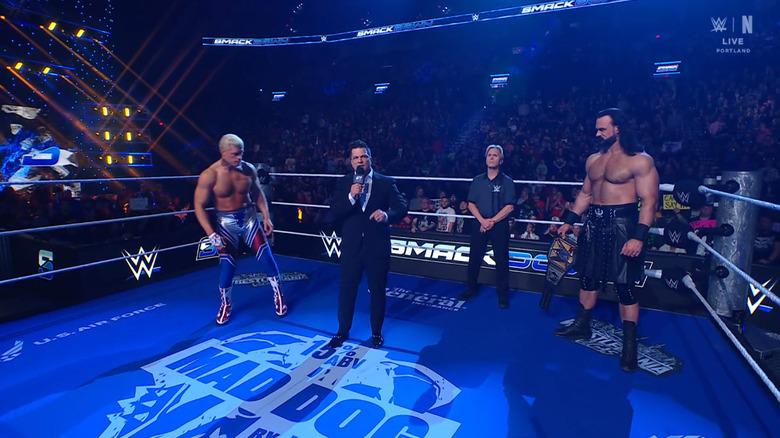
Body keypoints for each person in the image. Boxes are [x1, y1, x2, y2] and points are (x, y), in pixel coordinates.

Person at [555, 108, 659, 372]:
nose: (597, 133)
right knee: (587, 277)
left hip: (623, 224)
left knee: (624, 287)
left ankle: (629, 346)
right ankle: (582, 324)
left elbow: (649, 202)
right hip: (594, 223)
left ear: (617, 129)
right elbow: (585, 194)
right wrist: (569, 220)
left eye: (602, 129)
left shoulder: (640, 161)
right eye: (597, 128)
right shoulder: (594, 160)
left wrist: (638, 237)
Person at [194, 133, 288, 325]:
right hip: (225, 223)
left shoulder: (248, 169)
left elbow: (258, 193)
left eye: (241, 153)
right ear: (223, 152)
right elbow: (199, 206)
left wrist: (267, 216)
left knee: (266, 257)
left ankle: (279, 296)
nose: (239, 158)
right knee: (228, 264)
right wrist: (211, 234)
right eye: (235, 154)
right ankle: (225, 303)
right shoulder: (210, 175)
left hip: (249, 218)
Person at [327, 140, 408, 349]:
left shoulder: (385, 182)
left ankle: (376, 333)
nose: (359, 160)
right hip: (352, 247)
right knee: (347, 291)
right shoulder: (345, 183)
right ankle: (342, 331)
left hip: (377, 247)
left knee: (378, 291)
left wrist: (386, 214)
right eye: (355, 157)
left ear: (370, 158)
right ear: (351, 162)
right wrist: (351, 196)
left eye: (363, 156)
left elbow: (401, 209)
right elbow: (335, 211)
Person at [458, 145, 516, 309]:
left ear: (501, 160)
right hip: (480, 222)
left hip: (499, 224)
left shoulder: (507, 181)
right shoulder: (477, 180)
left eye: (495, 155)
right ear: (485, 158)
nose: (491, 157)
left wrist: (491, 221)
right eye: (489, 155)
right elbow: (471, 204)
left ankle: (502, 295)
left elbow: (510, 206)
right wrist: (483, 221)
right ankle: (471, 288)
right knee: (474, 257)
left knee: (502, 260)